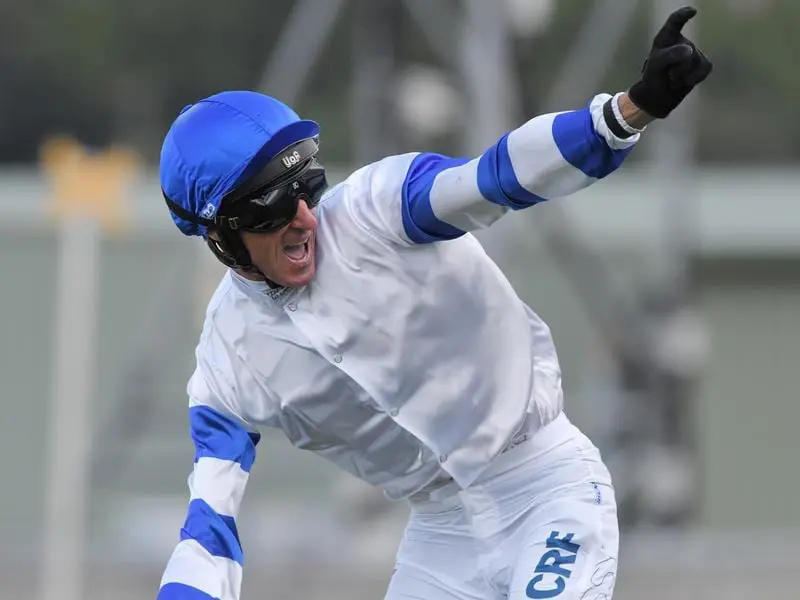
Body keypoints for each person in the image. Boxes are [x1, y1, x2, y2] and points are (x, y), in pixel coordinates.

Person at [156, 7, 712, 600]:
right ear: (219, 237)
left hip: (547, 485)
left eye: (307, 186)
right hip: (440, 537)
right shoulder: (226, 363)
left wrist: (626, 112)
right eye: (271, 205)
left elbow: (498, 176)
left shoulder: (379, 207)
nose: (303, 216)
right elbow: (209, 526)